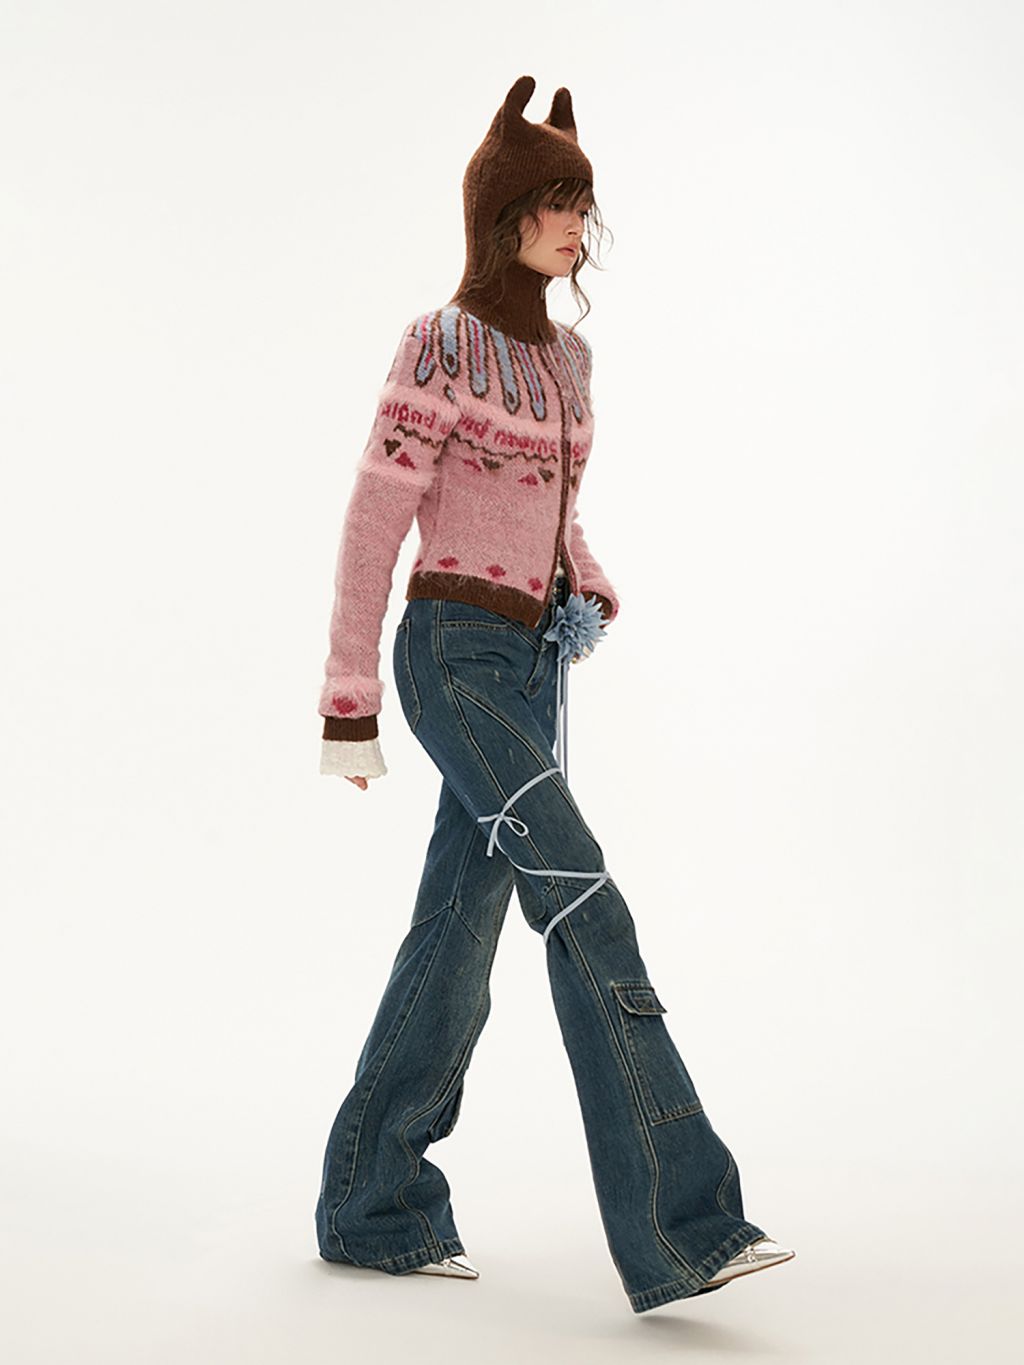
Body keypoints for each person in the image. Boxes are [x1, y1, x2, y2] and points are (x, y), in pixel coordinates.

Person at [313, 75, 795, 1314]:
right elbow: (378, 517)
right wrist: (349, 697)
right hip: (450, 658)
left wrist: (587, 579)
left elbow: (552, 510)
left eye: (583, 203)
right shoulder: (438, 343)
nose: (575, 224)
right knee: (586, 902)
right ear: (502, 214)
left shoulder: (570, 359)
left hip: (534, 668)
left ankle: (371, 1205)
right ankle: (686, 1225)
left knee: (457, 933)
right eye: (555, 202)